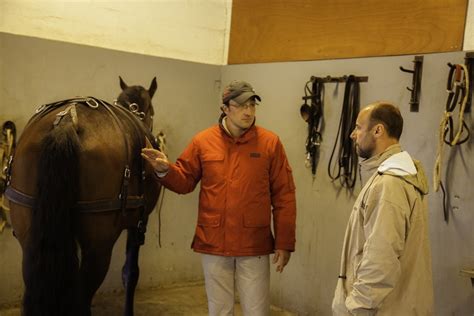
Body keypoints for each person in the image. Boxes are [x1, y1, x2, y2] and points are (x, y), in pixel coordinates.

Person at [141, 80, 296, 315]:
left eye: (252, 105)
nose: (248, 111)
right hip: (214, 241)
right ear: (225, 108)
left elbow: (284, 194)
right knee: (219, 310)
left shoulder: (269, 143)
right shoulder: (203, 141)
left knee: (257, 311)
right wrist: (164, 169)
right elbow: (184, 181)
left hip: (253, 243)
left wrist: (284, 242)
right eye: (242, 105)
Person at [332, 102, 434, 315]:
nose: (353, 134)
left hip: (384, 309)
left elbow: (381, 260)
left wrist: (355, 309)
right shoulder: (398, 176)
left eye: (359, 127)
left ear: (378, 130)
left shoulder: (389, 185)